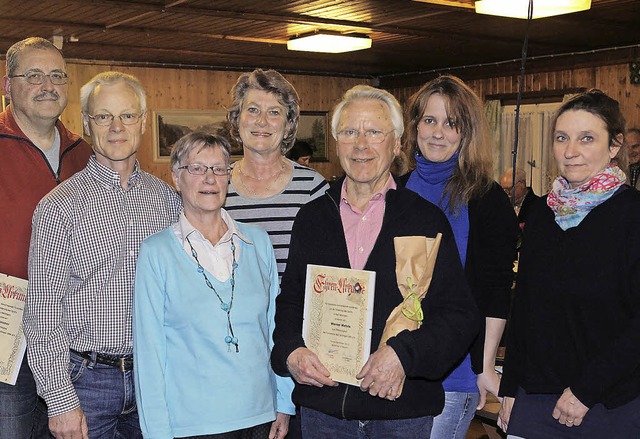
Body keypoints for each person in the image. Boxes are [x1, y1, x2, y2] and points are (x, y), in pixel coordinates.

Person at [271, 85, 481, 439]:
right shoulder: (312, 218)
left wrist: (403, 355)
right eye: (350, 132)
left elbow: (459, 317)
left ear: (397, 143)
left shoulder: (425, 221)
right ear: (337, 142)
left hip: (400, 414)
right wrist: (291, 350)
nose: (361, 144)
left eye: (374, 132)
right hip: (324, 414)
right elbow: (291, 301)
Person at [24, 71, 181, 439]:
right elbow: (42, 311)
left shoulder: (168, 202)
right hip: (85, 383)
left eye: (127, 115)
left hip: (154, 379)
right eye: (103, 116)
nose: (116, 127)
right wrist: (60, 400)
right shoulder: (58, 207)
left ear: (143, 121)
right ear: (86, 123)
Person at [498, 90, 640, 438]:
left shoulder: (632, 214)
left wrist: (584, 391)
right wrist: (510, 388)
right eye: (562, 138)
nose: (570, 150)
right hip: (534, 401)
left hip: (608, 404)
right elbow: (525, 307)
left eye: (586, 138)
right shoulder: (544, 213)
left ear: (614, 146)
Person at [133, 132, 294, 439]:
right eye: (196, 168)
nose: (209, 178)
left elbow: (276, 327)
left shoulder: (257, 243)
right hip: (192, 426)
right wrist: (156, 433)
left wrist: (285, 401)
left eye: (219, 169)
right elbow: (150, 354)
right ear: (177, 179)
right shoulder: (156, 252)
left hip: (260, 416)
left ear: (228, 179)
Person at [399, 74, 519, 439]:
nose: (438, 132)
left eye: (451, 123)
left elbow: (496, 289)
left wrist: (484, 366)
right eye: (430, 120)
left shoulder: (487, 198)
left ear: (466, 132)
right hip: (394, 364)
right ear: (415, 126)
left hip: (454, 374)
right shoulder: (395, 189)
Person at [0, 37, 92, 439]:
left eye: (56, 75)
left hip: (74, 339)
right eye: (33, 75)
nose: (47, 85)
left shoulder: (85, 153)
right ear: (7, 85)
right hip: (8, 337)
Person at [224, 68, 328, 282]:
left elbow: (325, 268)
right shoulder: (215, 184)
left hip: (296, 315)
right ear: (237, 119)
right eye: (252, 110)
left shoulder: (312, 188)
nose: (261, 121)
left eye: (274, 112)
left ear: (288, 125)